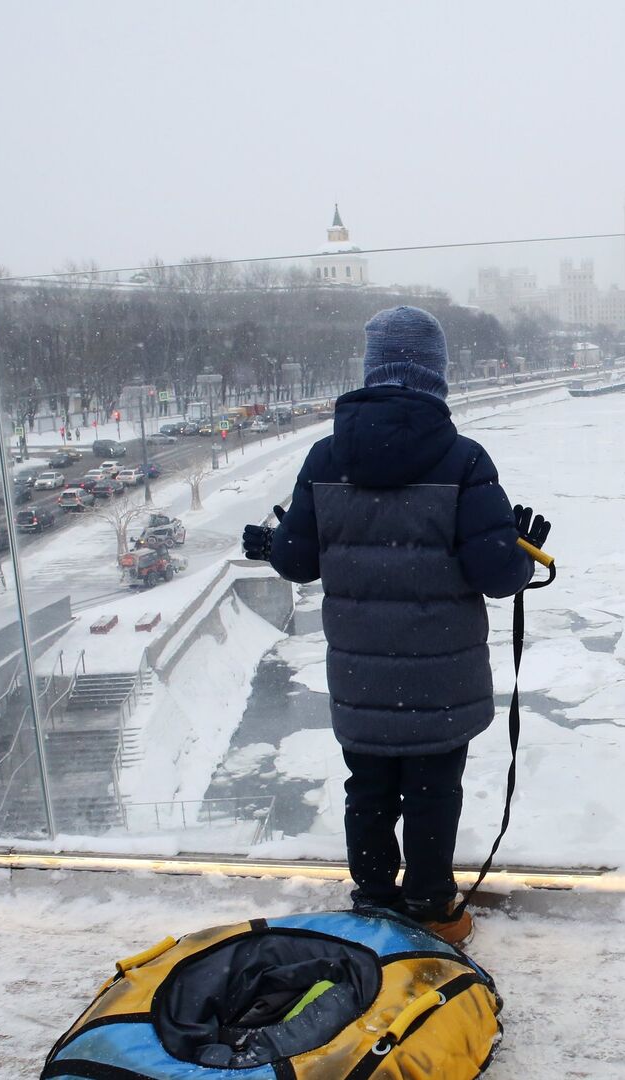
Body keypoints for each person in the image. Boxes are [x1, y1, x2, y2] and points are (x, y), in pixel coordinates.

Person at [244, 306, 541, 946]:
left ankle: (375, 903)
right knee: (434, 793)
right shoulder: (463, 460)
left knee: (369, 790)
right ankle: (433, 907)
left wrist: (271, 541)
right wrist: (520, 548)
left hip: (360, 674)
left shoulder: (325, 457)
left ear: (371, 370)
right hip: (442, 676)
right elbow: (496, 574)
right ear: (436, 375)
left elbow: (295, 561)